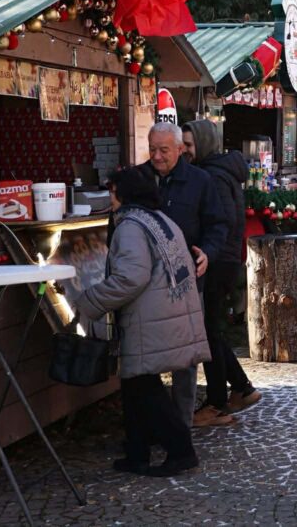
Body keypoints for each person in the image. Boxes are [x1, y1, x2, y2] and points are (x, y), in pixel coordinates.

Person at [73, 167, 209, 477]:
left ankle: (181, 450)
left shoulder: (130, 226)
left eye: (112, 191)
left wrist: (89, 301)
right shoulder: (159, 218)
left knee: (144, 386)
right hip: (168, 314)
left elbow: (130, 278)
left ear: (123, 194)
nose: (110, 197)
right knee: (134, 384)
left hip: (150, 319)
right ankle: (137, 453)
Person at [140, 122, 229, 430]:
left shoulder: (200, 181)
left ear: (180, 149)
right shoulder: (140, 178)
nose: (157, 156)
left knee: (186, 355)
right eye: (153, 149)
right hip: (147, 282)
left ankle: (181, 424)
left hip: (187, 280)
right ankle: (150, 422)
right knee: (147, 350)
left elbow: (218, 225)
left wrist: (208, 251)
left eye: (164, 150)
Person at [182, 121, 261, 426]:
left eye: (189, 145)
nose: (185, 151)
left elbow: (222, 222)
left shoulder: (211, 176)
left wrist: (210, 252)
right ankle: (241, 388)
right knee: (210, 329)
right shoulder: (218, 170)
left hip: (217, 261)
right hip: (222, 259)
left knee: (209, 332)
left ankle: (216, 405)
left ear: (203, 143)